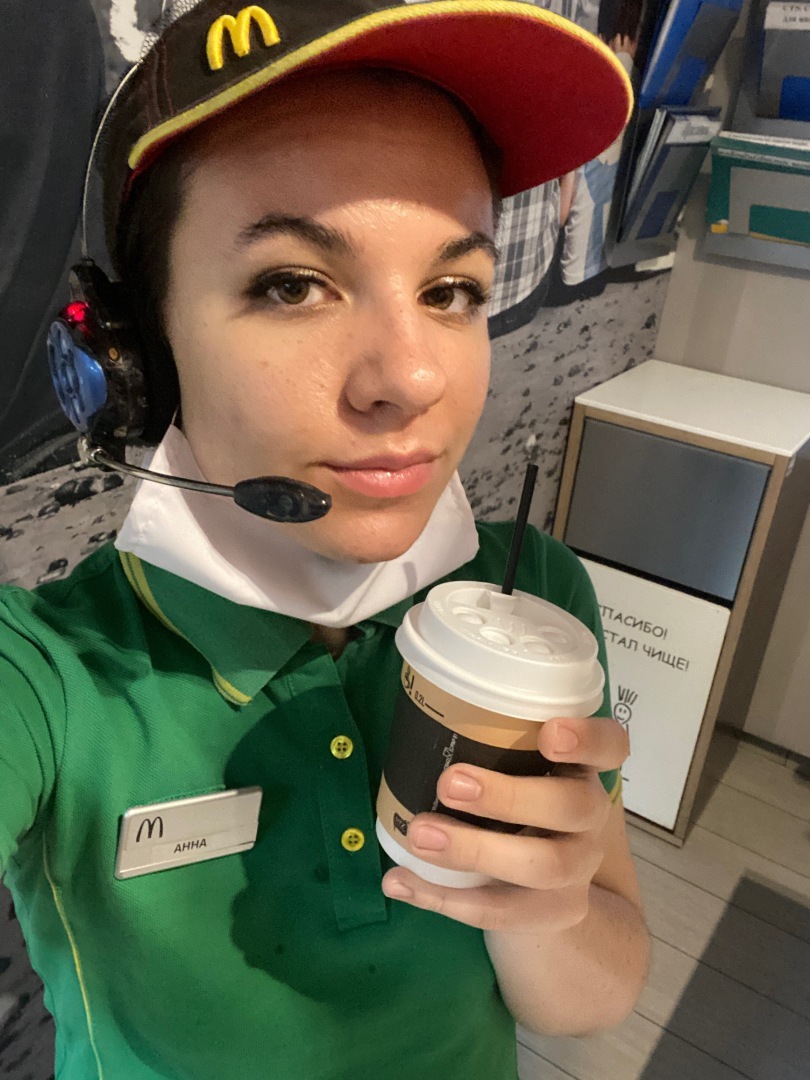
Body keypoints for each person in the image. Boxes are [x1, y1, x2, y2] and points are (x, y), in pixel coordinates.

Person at [0, 2, 649, 1078]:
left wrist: (547, 902)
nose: (413, 378)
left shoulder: (531, 597)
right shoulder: (52, 674)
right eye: (292, 284)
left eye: (451, 290)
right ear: (137, 356)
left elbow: (593, 1001)